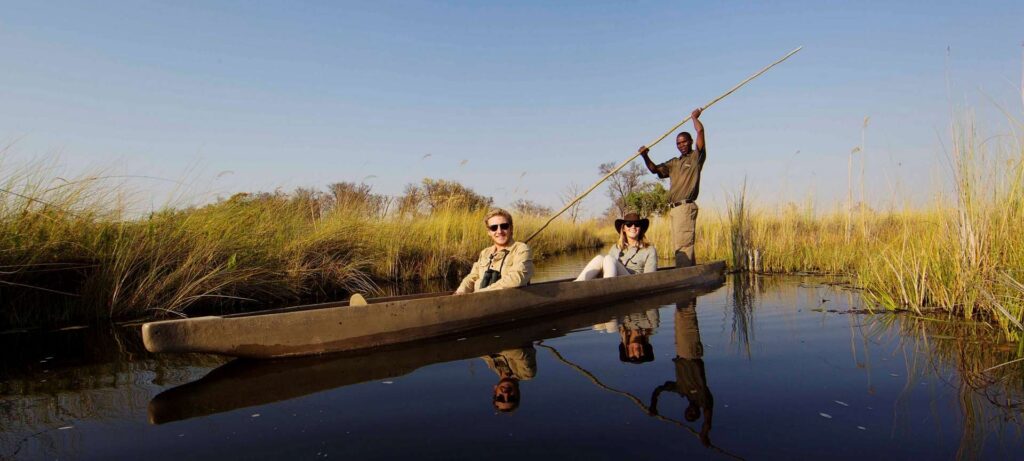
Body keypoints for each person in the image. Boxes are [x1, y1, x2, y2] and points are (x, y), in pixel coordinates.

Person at [638, 108, 706, 267]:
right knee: (680, 244)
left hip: (685, 206)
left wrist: (694, 118)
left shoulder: (696, 158)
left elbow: (700, 132)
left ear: (690, 142)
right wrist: (644, 155)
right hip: (674, 209)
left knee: (683, 245)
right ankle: (688, 273)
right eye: (678, 143)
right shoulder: (674, 163)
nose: (681, 145)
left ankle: (684, 275)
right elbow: (655, 169)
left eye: (684, 142)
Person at [649, 297, 714, 447]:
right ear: (697, 412)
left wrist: (654, 404)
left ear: (685, 410)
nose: (690, 413)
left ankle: (688, 290)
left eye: (687, 415)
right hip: (691, 353)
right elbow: (708, 417)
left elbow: (659, 389)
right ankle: (689, 288)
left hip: (680, 351)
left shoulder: (681, 389)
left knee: (681, 313)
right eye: (693, 415)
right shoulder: (703, 398)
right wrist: (704, 433)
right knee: (686, 313)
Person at [455, 208, 534, 295]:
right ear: (489, 232)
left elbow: (517, 278)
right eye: (494, 228)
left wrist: (482, 293)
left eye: (504, 226)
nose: (499, 231)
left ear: (511, 228)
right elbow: (472, 277)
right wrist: (461, 292)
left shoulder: (522, 249)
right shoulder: (485, 252)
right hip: (478, 300)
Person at [575, 211, 658, 281]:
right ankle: (575, 285)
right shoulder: (616, 247)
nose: (633, 227)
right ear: (624, 229)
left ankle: (607, 289)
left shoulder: (649, 250)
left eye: (637, 224)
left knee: (609, 258)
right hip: (615, 281)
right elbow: (608, 267)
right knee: (600, 258)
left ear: (640, 228)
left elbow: (649, 279)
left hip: (634, 282)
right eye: (629, 224)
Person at [481, 346, 537, 412]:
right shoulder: (526, 373)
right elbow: (516, 350)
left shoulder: (493, 366)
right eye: (511, 398)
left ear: (495, 389)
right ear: (517, 392)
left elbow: (477, 350)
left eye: (500, 398)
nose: (506, 394)